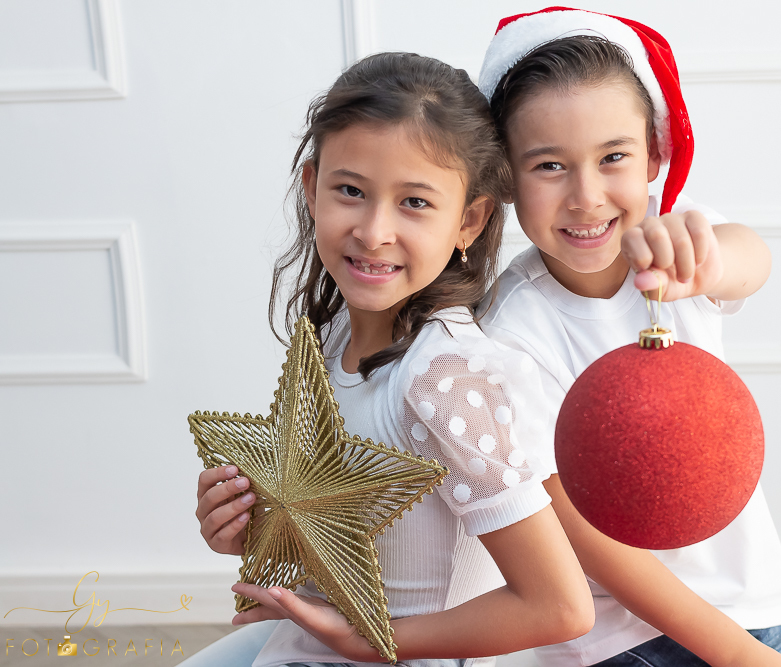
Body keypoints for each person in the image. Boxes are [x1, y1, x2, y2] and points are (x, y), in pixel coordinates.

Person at [186, 52, 595, 667]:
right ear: (311, 187)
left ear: (470, 220)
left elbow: (558, 607)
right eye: (350, 191)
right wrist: (250, 528)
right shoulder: (333, 338)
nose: (374, 231)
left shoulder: (453, 381)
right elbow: (349, 530)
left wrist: (365, 640)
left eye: (415, 203)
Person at [476, 8, 781, 667]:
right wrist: (738, 656)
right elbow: (587, 538)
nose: (587, 196)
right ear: (506, 176)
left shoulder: (681, 246)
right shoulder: (511, 330)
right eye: (549, 166)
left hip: (744, 605)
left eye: (613, 156)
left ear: (654, 151)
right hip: (617, 637)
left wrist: (703, 264)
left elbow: (749, 259)